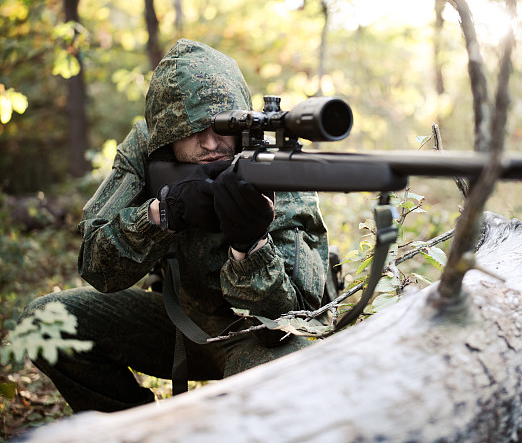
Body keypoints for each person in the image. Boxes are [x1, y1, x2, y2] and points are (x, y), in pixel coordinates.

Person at [20, 39, 328, 412]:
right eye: (191, 130)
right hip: (179, 323)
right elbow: (96, 266)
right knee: (45, 321)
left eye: (222, 127)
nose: (211, 143)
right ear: (165, 134)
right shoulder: (146, 150)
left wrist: (250, 247)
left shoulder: (270, 159)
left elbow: (296, 317)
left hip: (257, 336)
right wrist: (160, 215)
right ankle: (133, 432)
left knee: (280, 375)